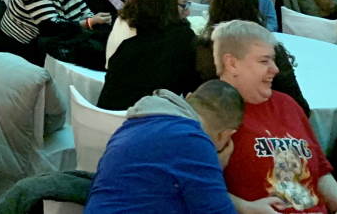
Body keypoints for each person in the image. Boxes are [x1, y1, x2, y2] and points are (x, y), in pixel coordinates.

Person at [215, 21, 337, 214]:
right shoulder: (215, 113)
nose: (276, 69)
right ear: (232, 64)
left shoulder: (287, 105)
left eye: (273, 60)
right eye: (264, 61)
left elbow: (321, 170)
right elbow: (196, 188)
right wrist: (246, 208)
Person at [85, 80, 245, 214]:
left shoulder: (132, 124)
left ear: (188, 98)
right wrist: (214, 166)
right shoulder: (194, 141)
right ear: (225, 135)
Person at [195, 0, 310, 115]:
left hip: (211, 119)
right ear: (255, 11)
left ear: (214, 9)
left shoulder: (200, 48)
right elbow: (300, 107)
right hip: (260, 119)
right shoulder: (269, 51)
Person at [98, 0, 199, 109]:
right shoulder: (181, 39)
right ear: (166, 6)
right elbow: (192, 91)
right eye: (184, 5)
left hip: (106, 116)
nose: (188, 12)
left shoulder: (128, 32)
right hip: (146, 118)